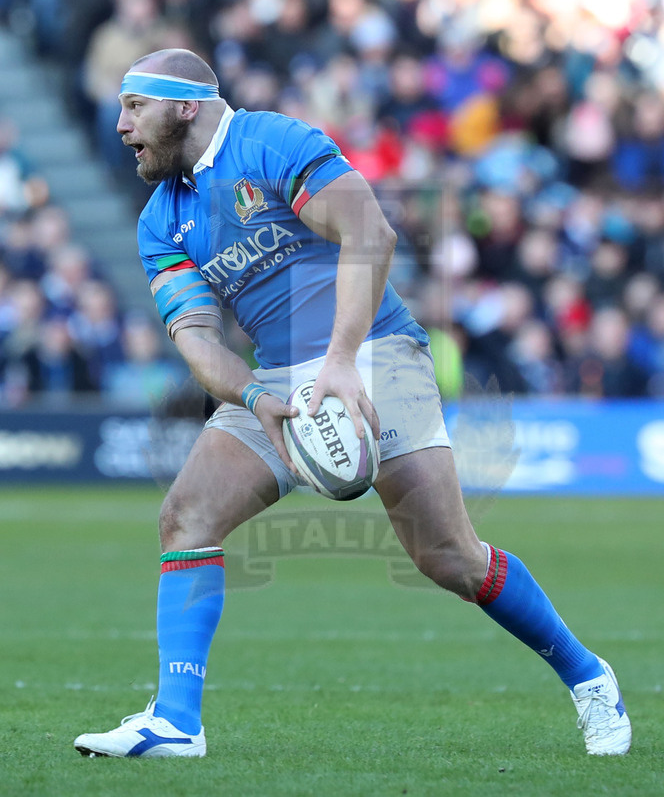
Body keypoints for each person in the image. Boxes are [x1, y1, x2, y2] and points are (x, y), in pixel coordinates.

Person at [74, 48, 631, 759]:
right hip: (278, 377)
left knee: (449, 558)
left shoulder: (271, 142)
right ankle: (177, 721)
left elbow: (372, 233)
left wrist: (339, 360)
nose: (120, 124)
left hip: (375, 350)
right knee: (187, 516)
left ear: (184, 105)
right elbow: (196, 341)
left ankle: (589, 676)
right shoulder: (161, 220)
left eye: (134, 106)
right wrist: (252, 391)